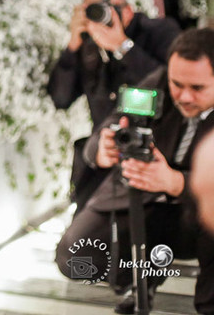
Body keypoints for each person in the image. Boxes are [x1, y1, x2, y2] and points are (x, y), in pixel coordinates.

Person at [55, 28, 214, 314]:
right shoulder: (158, 85)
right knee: (75, 256)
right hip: (143, 202)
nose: (185, 96)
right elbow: (110, 127)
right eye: (177, 84)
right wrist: (101, 151)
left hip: (202, 211)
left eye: (198, 88)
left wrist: (176, 182)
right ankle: (140, 279)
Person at [47, 0, 180, 207]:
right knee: (80, 240)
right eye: (93, 10)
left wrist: (122, 46)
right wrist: (73, 43)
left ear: (127, 11)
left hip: (158, 158)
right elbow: (60, 99)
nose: (101, 18)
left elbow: (172, 90)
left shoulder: (159, 31)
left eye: (108, 9)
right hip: (104, 159)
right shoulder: (88, 45)